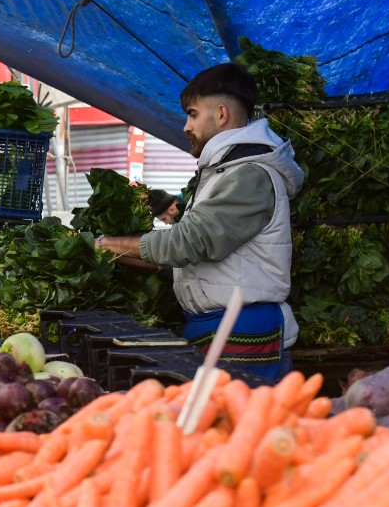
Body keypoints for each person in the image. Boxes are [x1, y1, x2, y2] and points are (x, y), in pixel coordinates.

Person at [96, 63, 303, 383]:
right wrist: (111, 253)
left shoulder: (250, 175)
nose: (186, 126)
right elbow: (190, 259)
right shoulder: (224, 173)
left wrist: (104, 244)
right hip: (218, 327)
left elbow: (189, 242)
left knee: (238, 414)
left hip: (242, 331)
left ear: (221, 114)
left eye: (192, 114)